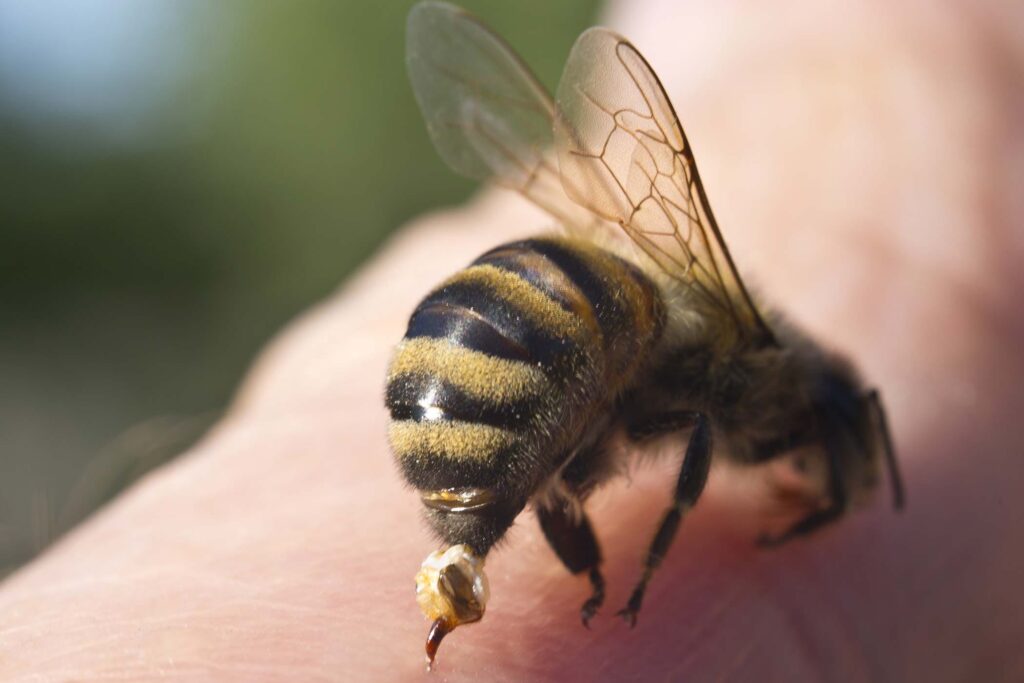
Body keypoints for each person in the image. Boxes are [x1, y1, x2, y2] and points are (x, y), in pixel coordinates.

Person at [1, 1, 1022, 680]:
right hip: (522, 338)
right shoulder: (733, 368)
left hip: (464, 346)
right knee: (603, 415)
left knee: (573, 424)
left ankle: (482, 547)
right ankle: (523, 558)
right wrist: (650, 565)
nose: (812, 458)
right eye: (826, 442)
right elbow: (664, 429)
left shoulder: (657, 340)